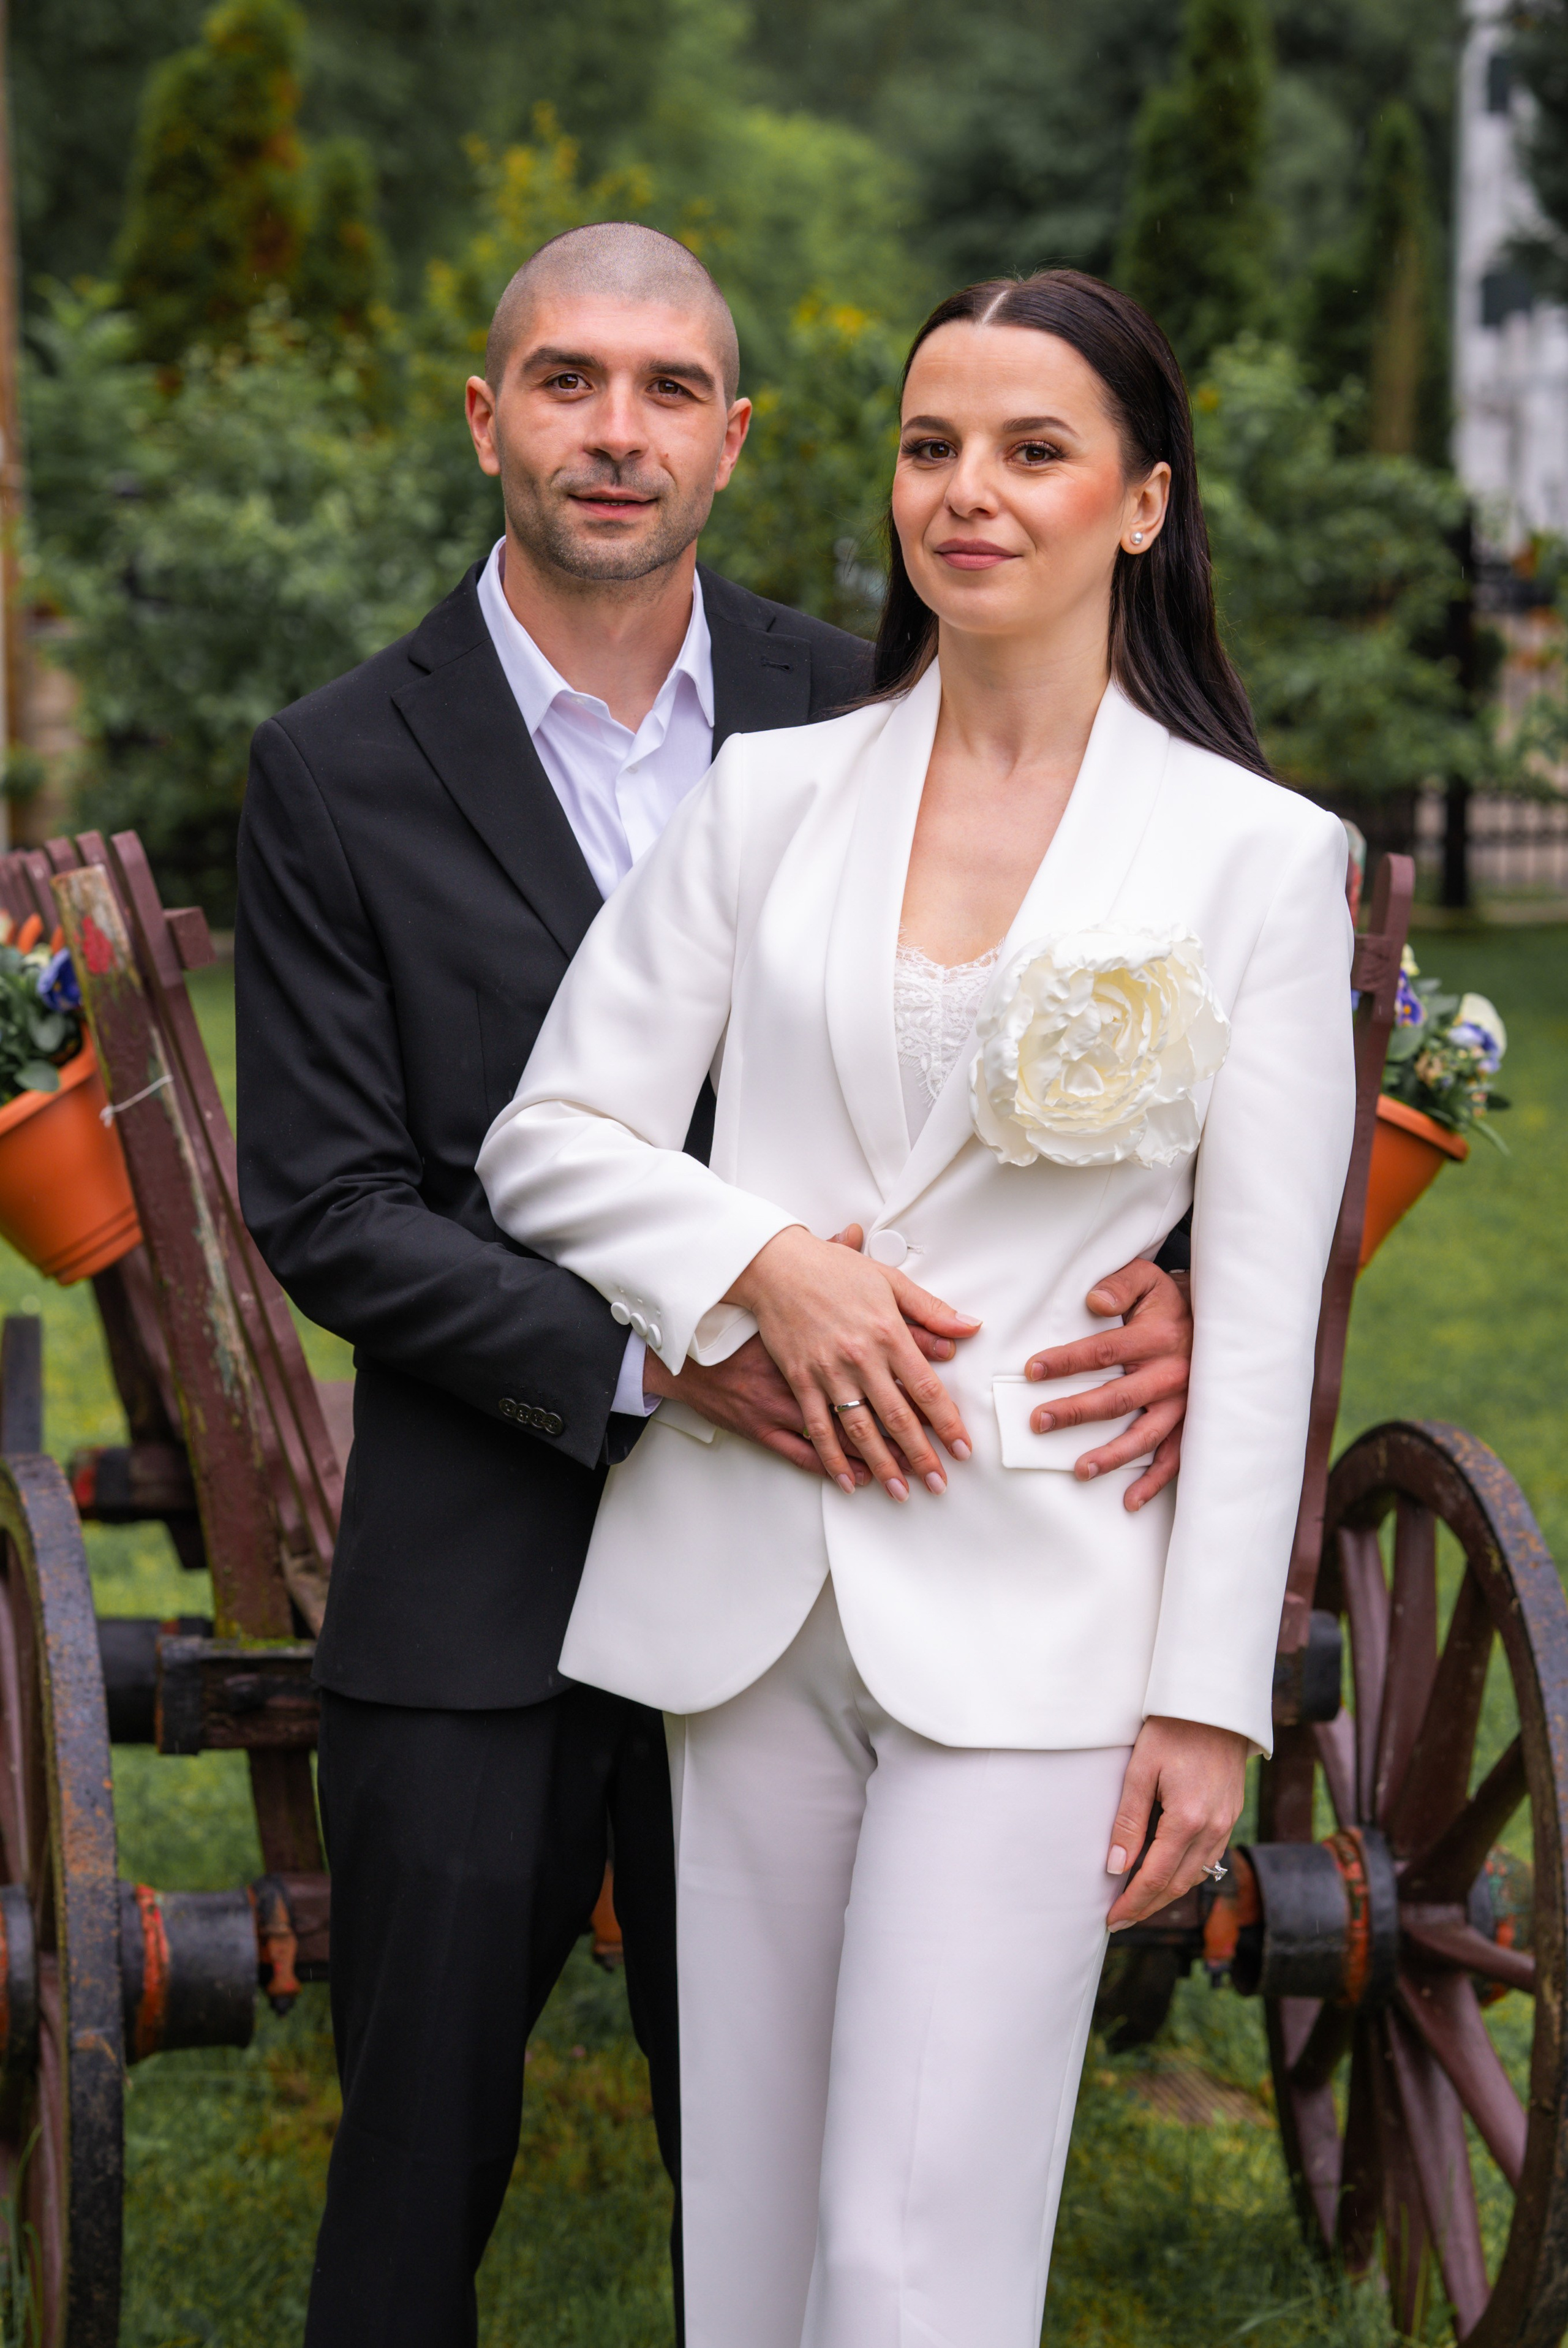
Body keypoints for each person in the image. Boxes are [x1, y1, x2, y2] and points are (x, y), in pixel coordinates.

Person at [235, 228, 1194, 2348]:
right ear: (485, 418)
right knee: (415, 2166)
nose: (616, 430)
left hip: (831, 1560)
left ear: (737, 440)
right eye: (566, 382)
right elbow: (330, 1204)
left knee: (795, 2155)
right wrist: (671, 1360)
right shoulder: (332, 769)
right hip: (487, 1558)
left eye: (668, 389)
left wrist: (1179, 1279)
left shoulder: (862, 699)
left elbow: (1079, 997)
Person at [477, 267, 1357, 2348]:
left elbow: (1256, 1331)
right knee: (760, 2246)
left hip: (1045, 1609)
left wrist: (1209, 1698)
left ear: (1143, 502)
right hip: (750, 1597)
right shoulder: (776, 799)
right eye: (930, 443)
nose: (968, 491)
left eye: (1033, 450)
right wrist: (756, 1260)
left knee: (908, 2255)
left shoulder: (1257, 858)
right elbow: (548, 1134)